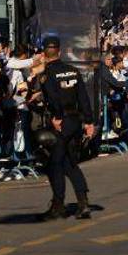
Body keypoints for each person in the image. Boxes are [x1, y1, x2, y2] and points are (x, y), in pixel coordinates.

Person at [36, 35, 95, 221]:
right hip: (75, 121)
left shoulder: (47, 75)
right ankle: (83, 202)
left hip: (61, 122)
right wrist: (89, 122)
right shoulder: (72, 70)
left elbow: (53, 98)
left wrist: (57, 117)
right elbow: (84, 97)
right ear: (59, 51)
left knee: (55, 165)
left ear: (45, 54)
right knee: (70, 163)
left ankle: (58, 206)